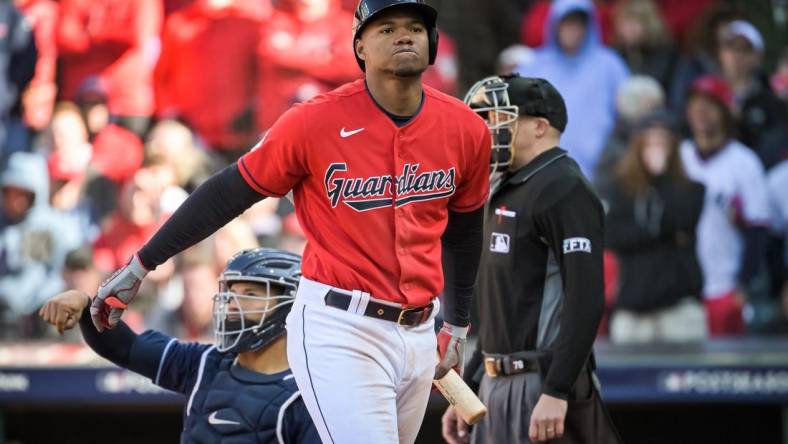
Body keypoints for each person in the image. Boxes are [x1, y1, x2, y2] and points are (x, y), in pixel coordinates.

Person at [89, 1, 491, 443]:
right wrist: (141, 263)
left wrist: (456, 322)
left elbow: (465, 232)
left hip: (419, 330)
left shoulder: (466, 129)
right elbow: (227, 193)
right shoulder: (313, 121)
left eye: (415, 27)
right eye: (386, 28)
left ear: (432, 42)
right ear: (359, 46)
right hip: (341, 327)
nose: (404, 35)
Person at [443, 75, 620, 444]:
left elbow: (585, 300)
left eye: (497, 118)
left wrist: (557, 390)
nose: (487, 129)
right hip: (495, 383)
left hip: (541, 383)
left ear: (540, 126)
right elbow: (498, 313)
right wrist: (466, 391)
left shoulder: (563, 186)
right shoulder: (503, 187)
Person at [39, 248, 320, 443]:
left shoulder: (307, 397)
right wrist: (87, 306)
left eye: (250, 294)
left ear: (290, 306)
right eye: (230, 292)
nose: (233, 304)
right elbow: (125, 348)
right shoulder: (205, 363)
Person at [603, 109, 707, 344]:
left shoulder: (692, 189)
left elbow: (682, 221)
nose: (656, 147)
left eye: (663, 140)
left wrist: (661, 179)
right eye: (650, 140)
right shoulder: (619, 189)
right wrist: (661, 234)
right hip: (633, 305)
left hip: (678, 305)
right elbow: (613, 236)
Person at [680, 75, 771, 336]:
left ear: (725, 111)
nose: (701, 112)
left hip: (725, 286)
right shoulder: (680, 156)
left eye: (710, 105)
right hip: (684, 290)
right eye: (695, 104)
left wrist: (744, 286)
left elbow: (758, 230)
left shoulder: (744, 162)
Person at [515, 0, 630, 180]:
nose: (572, 29)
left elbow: (629, 115)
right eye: (567, 22)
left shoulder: (610, 66)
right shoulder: (533, 66)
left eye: (578, 23)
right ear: (555, 24)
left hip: (599, 177)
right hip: (542, 176)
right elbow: (515, 118)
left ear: (589, 26)